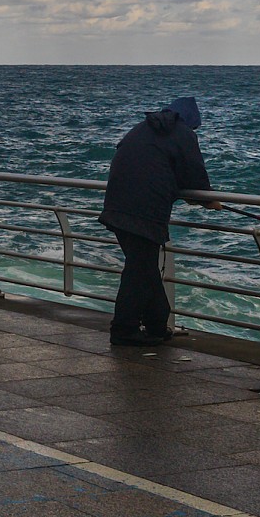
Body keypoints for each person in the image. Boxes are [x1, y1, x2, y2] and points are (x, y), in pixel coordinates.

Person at [99, 95, 216, 347]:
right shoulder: (183, 134)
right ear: (191, 122)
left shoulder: (142, 128)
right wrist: (208, 200)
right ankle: (123, 329)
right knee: (139, 271)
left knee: (144, 267)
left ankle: (156, 326)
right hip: (144, 211)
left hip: (116, 204)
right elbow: (194, 176)